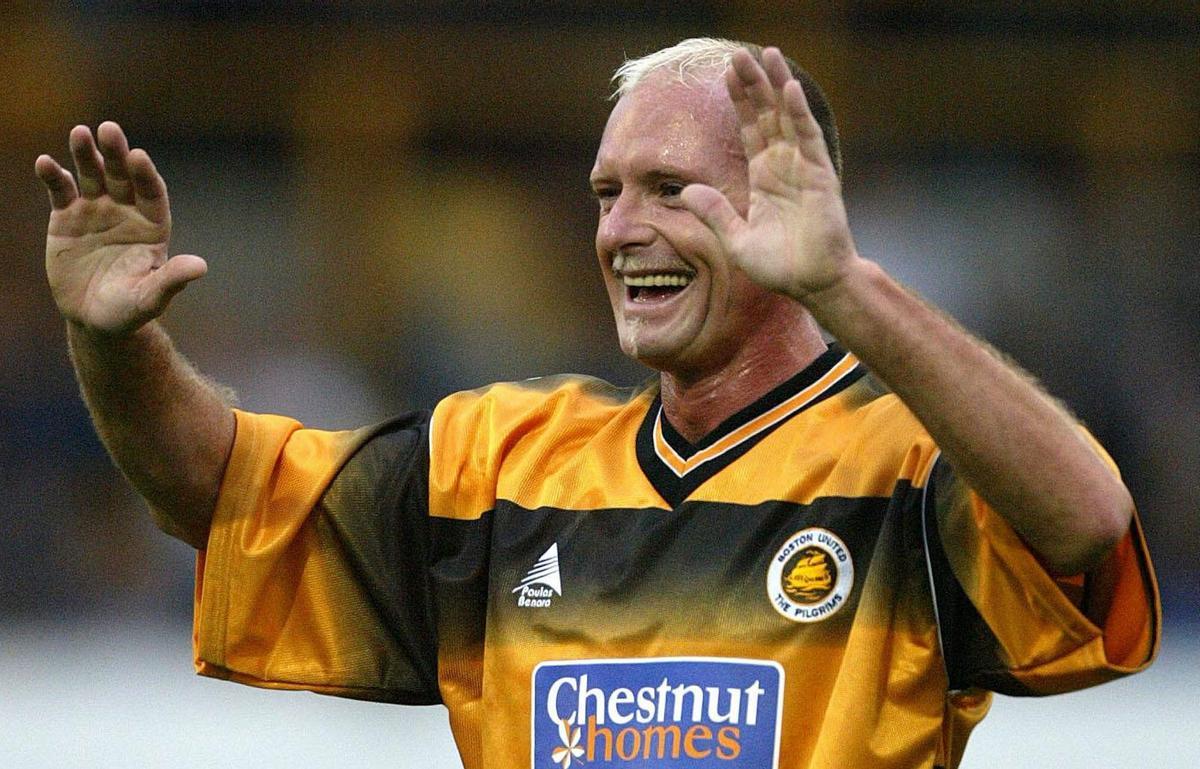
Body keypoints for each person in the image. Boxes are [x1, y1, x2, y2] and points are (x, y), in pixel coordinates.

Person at [37, 38, 1157, 769]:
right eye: (606, 194)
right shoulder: (497, 462)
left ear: (786, 203)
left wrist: (844, 284)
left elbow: (1087, 523)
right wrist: (112, 340)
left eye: (670, 189)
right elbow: (218, 490)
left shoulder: (908, 464)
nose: (621, 230)